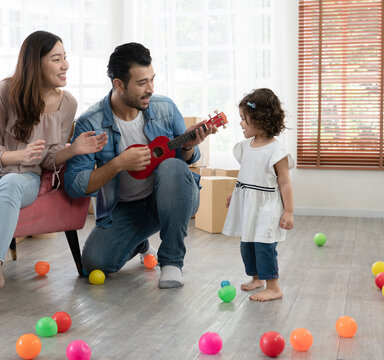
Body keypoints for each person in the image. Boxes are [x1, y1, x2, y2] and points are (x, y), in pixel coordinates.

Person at [0, 31, 107, 326]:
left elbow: (48, 159)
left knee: (9, 186)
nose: (65, 65)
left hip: (24, 177)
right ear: (36, 63)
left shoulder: (67, 103)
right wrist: (18, 156)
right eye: (56, 59)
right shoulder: (4, 91)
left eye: (65, 57)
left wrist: (73, 150)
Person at [64, 42, 217, 289]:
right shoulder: (90, 123)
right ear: (119, 84)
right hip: (125, 208)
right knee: (93, 263)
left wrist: (189, 146)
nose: (150, 89)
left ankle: (171, 263)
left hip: (173, 197)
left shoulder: (165, 108)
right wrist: (117, 164)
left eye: (152, 80)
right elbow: (73, 186)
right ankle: (140, 243)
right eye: (142, 83)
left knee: (172, 167)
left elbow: (188, 160)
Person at [222, 88, 295, 302]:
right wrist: (235, 194)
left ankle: (273, 286)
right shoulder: (245, 147)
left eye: (244, 119)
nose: (241, 123)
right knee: (248, 244)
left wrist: (289, 211)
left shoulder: (276, 151)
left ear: (260, 120)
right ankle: (257, 279)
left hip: (267, 207)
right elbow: (245, 174)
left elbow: (285, 182)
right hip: (248, 204)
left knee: (264, 245)